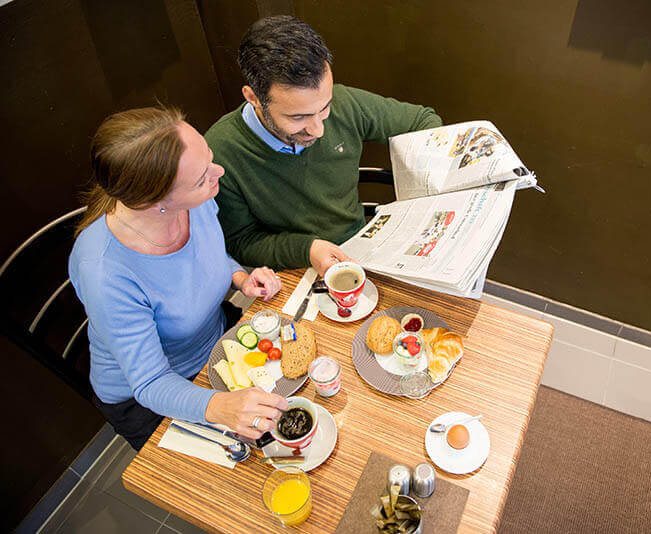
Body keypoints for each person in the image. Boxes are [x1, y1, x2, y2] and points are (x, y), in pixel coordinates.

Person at [69, 107, 288, 451]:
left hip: (215, 345)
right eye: (202, 177)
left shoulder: (194, 200)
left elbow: (207, 255)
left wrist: (240, 277)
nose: (219, 172)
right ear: (156, 202)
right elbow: (152, 382)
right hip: (152, 397)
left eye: (210, 160)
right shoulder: (104, 272)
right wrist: (219, 407)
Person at [205, 15, 443, 274]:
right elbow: (241, 240)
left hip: (363, 245)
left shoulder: (346, 102)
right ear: (254, 98)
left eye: (325, 107)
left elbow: (424, 120)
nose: (318, 129)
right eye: (298, 117)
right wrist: (307, 249)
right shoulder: (220, 153)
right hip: (293, 266)